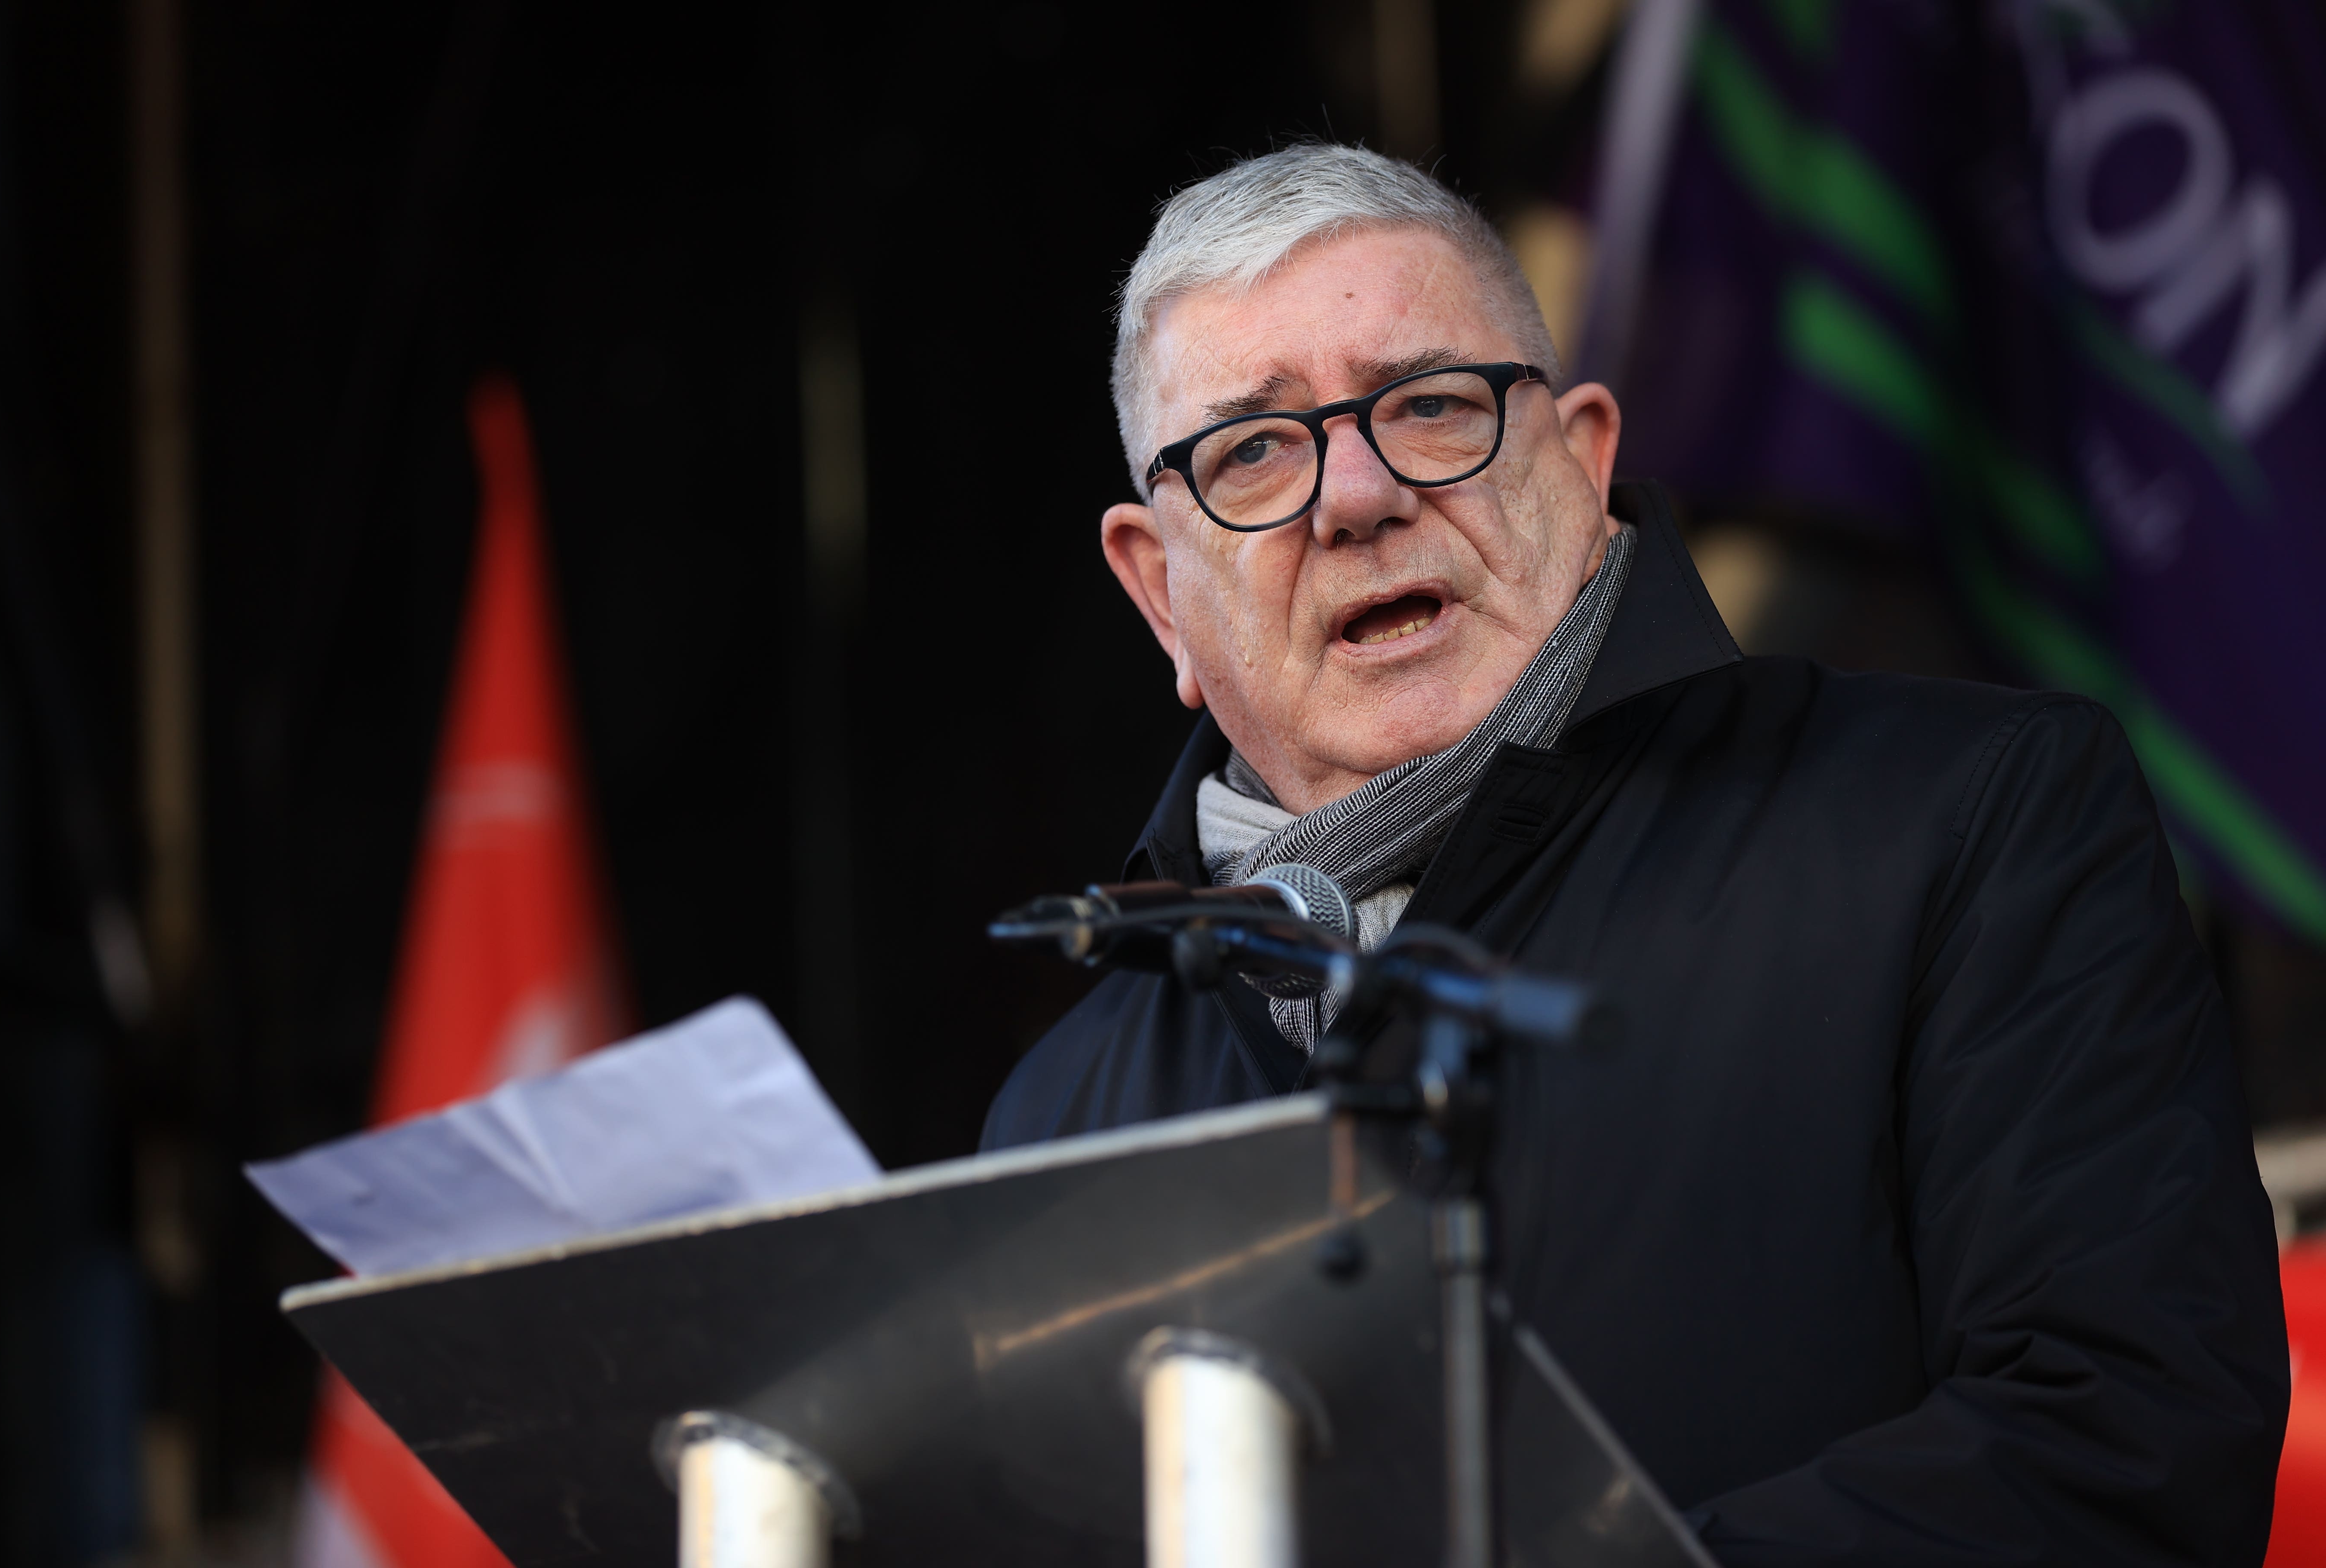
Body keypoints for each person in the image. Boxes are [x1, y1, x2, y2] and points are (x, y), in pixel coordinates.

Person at [980, 144, 2286, 1563]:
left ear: (1586, 458)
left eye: (1426, 407)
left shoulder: (1973, 817)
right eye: (1253, 450)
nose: (1354, 497)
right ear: (1160, 592)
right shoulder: (1061, 1110)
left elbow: (2123, 1444)